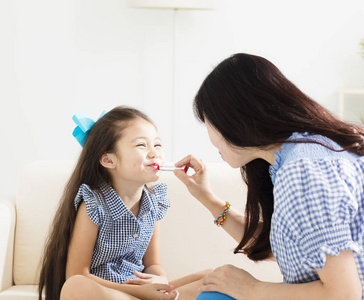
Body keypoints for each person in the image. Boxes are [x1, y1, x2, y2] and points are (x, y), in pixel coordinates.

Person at [173, 53, 364, 300]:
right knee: (209, 285)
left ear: (233, 119)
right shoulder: (312, 151)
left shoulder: (303, 174)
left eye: (208, 123)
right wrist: (207, 198)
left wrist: (251, 289)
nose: (210, 139)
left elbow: (344, 294)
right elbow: (291, 248)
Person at [38, 106, 209, 300]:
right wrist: (138, 292)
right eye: (141, 145)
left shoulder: (154, 204)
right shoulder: (95, 205)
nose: (154, 154)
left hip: (143, 292)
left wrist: (159, 280)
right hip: (110, 293)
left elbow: (153, 264)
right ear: (108, 160)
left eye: (157, 145)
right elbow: (77, 274)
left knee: (214, 276)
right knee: (75, 286)